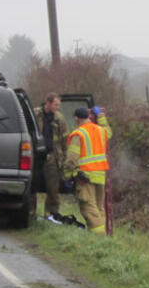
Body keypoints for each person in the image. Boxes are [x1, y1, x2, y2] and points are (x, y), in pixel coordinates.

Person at [65, 105, 112, 234]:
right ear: (88, 116)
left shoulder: (78, 134)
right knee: (98, 208)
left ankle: (99, 239)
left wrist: (68, 175)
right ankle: (104, 238)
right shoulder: (101, 131)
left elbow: (71, 159)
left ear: (77, 118)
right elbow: (109, 131)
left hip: (85, 177)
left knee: (88, 208)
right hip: (100, 175)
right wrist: (101, 116)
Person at [34, 93, 69, 222]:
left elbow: (65, 139)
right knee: (32, 185)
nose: (57, 107)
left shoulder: (59, 118)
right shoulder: (35, 114)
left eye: (58, 105)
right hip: (36, 155)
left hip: (52, 156)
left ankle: (51, 215)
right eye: (55, 104)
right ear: (47, 103)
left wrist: (65, 157)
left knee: (53, 187)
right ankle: (30, 213)